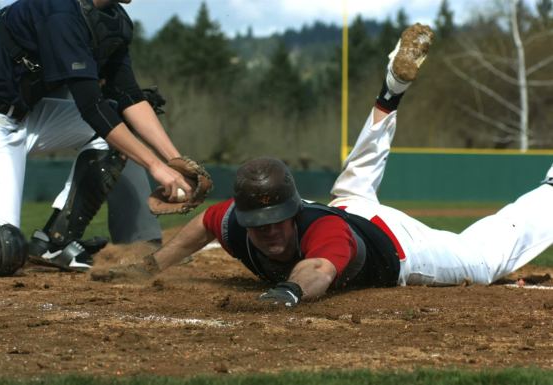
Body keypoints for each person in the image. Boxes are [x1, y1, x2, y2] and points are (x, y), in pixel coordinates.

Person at [100, 23, 553, 307]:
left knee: (484, 259)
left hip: (394, 245)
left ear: (292, 211)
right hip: (345, 204)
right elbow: (205, 223)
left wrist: (288, 293)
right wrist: (152, 266)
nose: (272, 232)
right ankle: (390, 91)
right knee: (357, 175)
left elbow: (317, 270)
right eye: (261, 224)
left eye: (279, 221)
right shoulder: (238, 222)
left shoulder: (324, 237)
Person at [0, 0, 203, 276]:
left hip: (27, 116)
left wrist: (174, 160)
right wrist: (155, 166)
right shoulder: (60, 10)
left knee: (118, 129)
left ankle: (56, 242)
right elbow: (91, 105)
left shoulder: (113, 19)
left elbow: (128, 95)